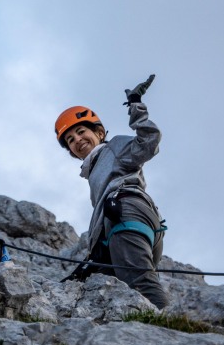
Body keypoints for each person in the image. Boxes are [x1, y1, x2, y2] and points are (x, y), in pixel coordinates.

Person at [54, 74, 168, 309]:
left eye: (81, 131)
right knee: (124, 292)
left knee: (140, 284)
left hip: (127, 213)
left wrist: (136, 105)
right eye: (70, 139)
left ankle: (172, 329)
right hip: (125, 221)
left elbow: (149, 142)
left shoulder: (114, 148)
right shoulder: (95, 170)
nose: (77, 140)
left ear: (99, 133)